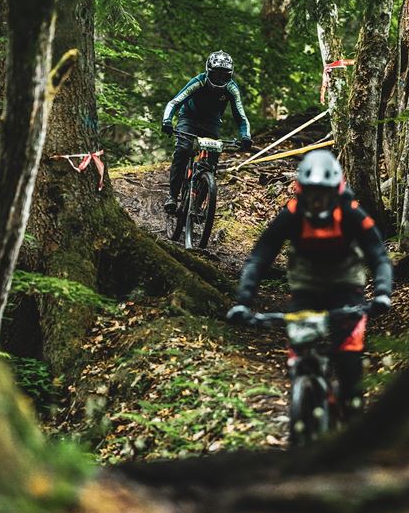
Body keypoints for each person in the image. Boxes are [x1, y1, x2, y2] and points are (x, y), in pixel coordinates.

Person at [227, 149, 392, 416]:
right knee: (300, 351)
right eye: (312, 194)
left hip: (346, 288)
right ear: (301, 191)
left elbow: (378, 256)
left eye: (324, 194)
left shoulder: (351, 213)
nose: (317, 202)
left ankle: (352, 411)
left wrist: (383, 293)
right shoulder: (292, 214)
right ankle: (304, 395)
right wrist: (243, 301)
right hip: (306, 288)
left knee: (349, 357)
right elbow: (260, 257)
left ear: (335, 192)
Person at [162, 51, 251, 212]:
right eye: (216, 74)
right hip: (189, 117)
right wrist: (167, 121)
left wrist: (245, 136)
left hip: (212, 122)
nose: (219, 79)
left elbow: (240, 116)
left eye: (224, 76)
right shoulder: (198, 81)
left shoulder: (231, 88)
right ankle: (173, 197)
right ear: (208, 71)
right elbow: (175, 102)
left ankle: (198, 203)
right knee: (183, 150)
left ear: (230, 76)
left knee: (211, 162)